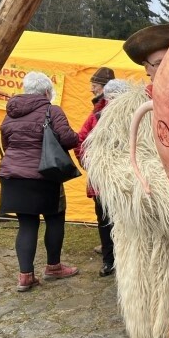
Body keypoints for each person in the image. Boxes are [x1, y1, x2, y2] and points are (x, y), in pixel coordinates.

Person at [85, 23, 169, 338]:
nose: (168, 68)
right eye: (160, 62)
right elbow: (112, 168)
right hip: (157, 242)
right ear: (147, 68)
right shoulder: (125, 112)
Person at [0, 71, 80, 292]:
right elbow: (68, 139)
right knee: (54, 218)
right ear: (46, 92)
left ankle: (25, 277)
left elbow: (7, 142)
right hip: (44, 175)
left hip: (13, 175)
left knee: (27, 224)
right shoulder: (52, 110)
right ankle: (53, 267)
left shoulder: (11, 113)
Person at [74, 67, 117, 276]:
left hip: (104, 180)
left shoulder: (99, 113)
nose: (91, 89)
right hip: (125, 181)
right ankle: (115, 256)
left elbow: (80, 141)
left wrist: (90, 165)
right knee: (119, 221)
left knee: (105, 220)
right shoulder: (101, 111)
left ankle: (110, 260)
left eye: (95, 86)